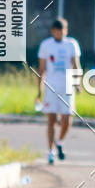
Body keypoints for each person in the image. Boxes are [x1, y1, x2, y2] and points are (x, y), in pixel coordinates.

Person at [36, 18, 82, 164]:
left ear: (66, 30)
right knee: (51, 119)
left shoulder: (72, 44)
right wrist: (39, 89)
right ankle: (50, 151)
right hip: (51, 86)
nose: (60, 33)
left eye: (63, 30)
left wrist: (78, 83)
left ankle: (59, 141)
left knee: (67, 119)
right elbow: (41, 69)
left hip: (67, 86)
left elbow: (76, 65)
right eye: (57, 30)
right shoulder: (46, 45)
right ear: (53, 31)